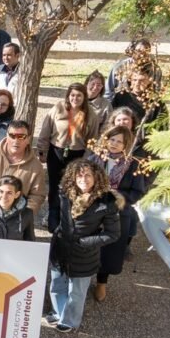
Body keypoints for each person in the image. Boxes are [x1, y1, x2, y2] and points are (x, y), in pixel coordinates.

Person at [47, 160, 121, 332]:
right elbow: (54, 210)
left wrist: (84, 242)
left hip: (84, 253)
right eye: (79, 175)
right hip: (61, 247)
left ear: (96, 177)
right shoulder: (65, 192)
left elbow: (112, 234)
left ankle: (70, 321)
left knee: (77, 291)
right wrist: (54, 227)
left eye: (88, 175)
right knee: (57, 283)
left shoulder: (107, 201)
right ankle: (58, 312)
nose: (83, 179)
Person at [86, 126, 146, 303]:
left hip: (118, 212)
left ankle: (101, 282)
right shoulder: (94, 159)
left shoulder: (133, 164)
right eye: (112, 139)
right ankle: (82, 279)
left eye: (119, 141)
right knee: (88, 246)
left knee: (109, 251)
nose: (114, 144)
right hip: (92, 210)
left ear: (126, 144)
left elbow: (138, 192)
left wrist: (118, 197)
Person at [37, 83, 100, 230]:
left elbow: (93, 140)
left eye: (79, 95)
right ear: (68, 96)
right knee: (54, 185)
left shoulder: (91, 114)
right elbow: (46, 130)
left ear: (84, 97)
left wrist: (86, 158)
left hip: (77, 154)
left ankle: (68, 216)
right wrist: (42, 150)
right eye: (72, 95)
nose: (75, 98)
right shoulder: (58, 108)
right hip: (56, 152)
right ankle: (53, 215)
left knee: (72, 186)